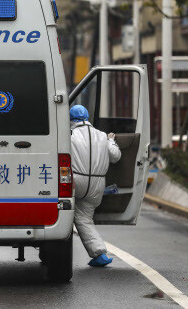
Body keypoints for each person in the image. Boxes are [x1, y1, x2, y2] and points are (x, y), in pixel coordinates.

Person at [70, 105, 121, 267]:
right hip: (97, 184)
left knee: (63, 213)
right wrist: (111, 141)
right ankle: (100, 254)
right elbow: (115, 157)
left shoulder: (69, 135)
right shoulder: (102, 135)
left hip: (75, 181)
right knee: (84, 218)